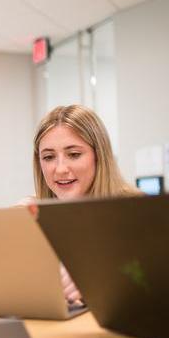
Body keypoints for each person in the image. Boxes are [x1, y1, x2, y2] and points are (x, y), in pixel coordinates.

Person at [21, 104, 139, 305]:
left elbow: (155, 286)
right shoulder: (35, 213)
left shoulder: (136, 212)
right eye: (48, 157)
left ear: (99, 156)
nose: (60, 169)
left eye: (74, 154)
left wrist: (96, 284)